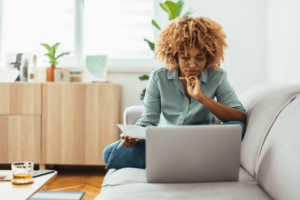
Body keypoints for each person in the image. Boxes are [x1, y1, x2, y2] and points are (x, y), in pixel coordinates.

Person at [103, 16, 247, 164]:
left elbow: (240, 118)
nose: (192, 65)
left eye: (199, 59)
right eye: (185, 58)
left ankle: (175, 160)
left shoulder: (217, 76)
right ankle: (188, 160)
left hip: (202, 142)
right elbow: (148, 120)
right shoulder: (159, 77)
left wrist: (200, 96)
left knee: (238, 127)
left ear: (208, 57)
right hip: (166, 142)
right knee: (109, 153)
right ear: (175, 56)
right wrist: (135, 135)